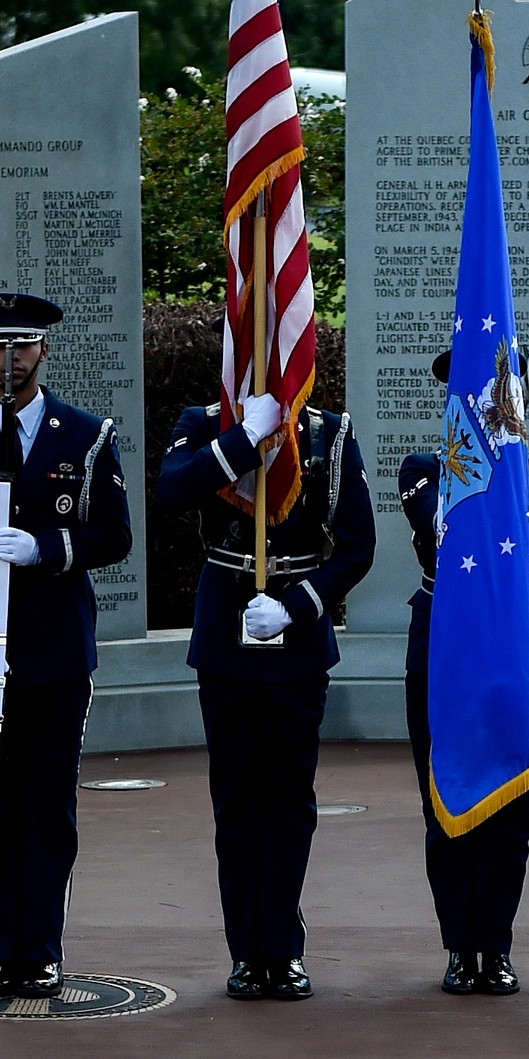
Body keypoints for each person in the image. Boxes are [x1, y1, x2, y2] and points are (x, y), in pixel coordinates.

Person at [0, 292, 132, 1000]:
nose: (10, 360)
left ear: (44, 350)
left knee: (47, 804)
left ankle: (41, 948)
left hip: (54, 650)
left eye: (24, 346)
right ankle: (2, 949)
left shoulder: (85, 435)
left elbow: (114, 535)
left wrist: (46, 547)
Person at [157, 375, 375, 1002]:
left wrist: (298, 606)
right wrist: (242, 439)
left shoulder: (329, 435)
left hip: (295, 638)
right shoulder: (203, 424)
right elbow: (172, 491)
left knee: (287, 797)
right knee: (234, 796)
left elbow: (357, 546)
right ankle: (247, 952)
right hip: (227, 630)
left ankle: (282, 947)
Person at [398, 348, 529, 997]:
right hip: (440, 653)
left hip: (509, 663)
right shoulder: (426, 472)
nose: (483, 402)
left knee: (510, 813)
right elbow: (441, 525)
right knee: (443, 802)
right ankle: (458, 944)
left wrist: (519, 643)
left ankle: (494, 945)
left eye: (496, 392)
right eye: (468, 393)